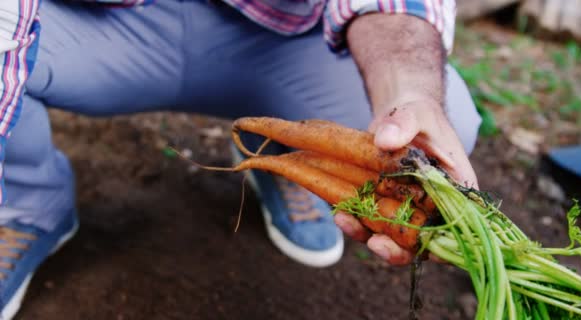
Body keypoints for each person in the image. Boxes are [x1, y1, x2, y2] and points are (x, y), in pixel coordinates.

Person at [0, 0, 480, 318]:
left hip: (278, 38)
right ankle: (29, 204)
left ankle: (298, 162)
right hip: (101, 27)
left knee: (441, 124)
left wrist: (409, 93)